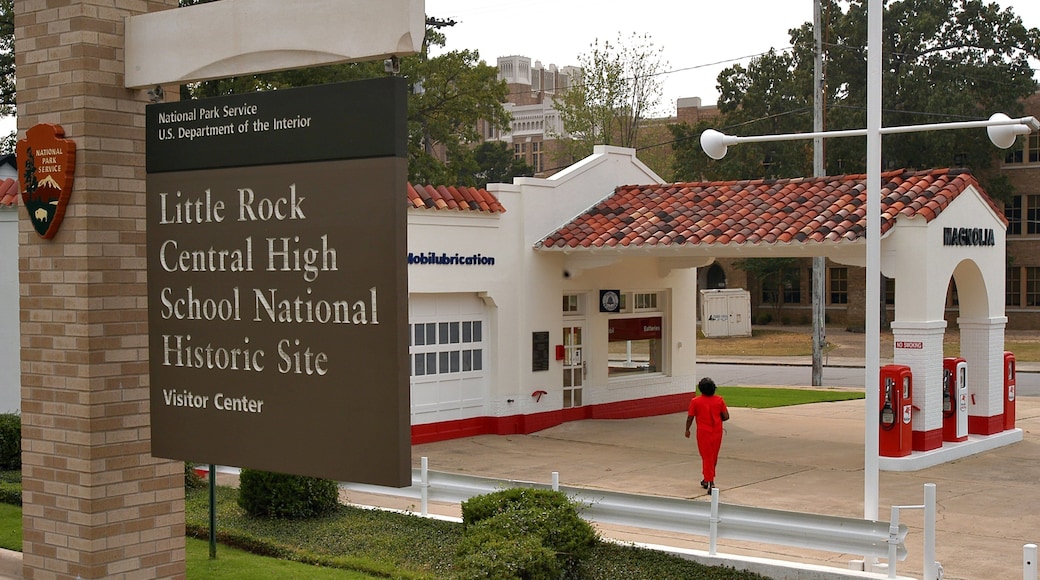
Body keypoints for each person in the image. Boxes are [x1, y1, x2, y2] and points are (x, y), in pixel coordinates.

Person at [684, 377, 729, 492]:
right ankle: (707, 479)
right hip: (717, 432)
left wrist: (687, 429)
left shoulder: (696, 401)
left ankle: (710, 481)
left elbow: (690, 417)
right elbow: (726, 416)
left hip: (703, 432)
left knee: (706, 456)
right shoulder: (719, 400)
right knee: (713, 456)